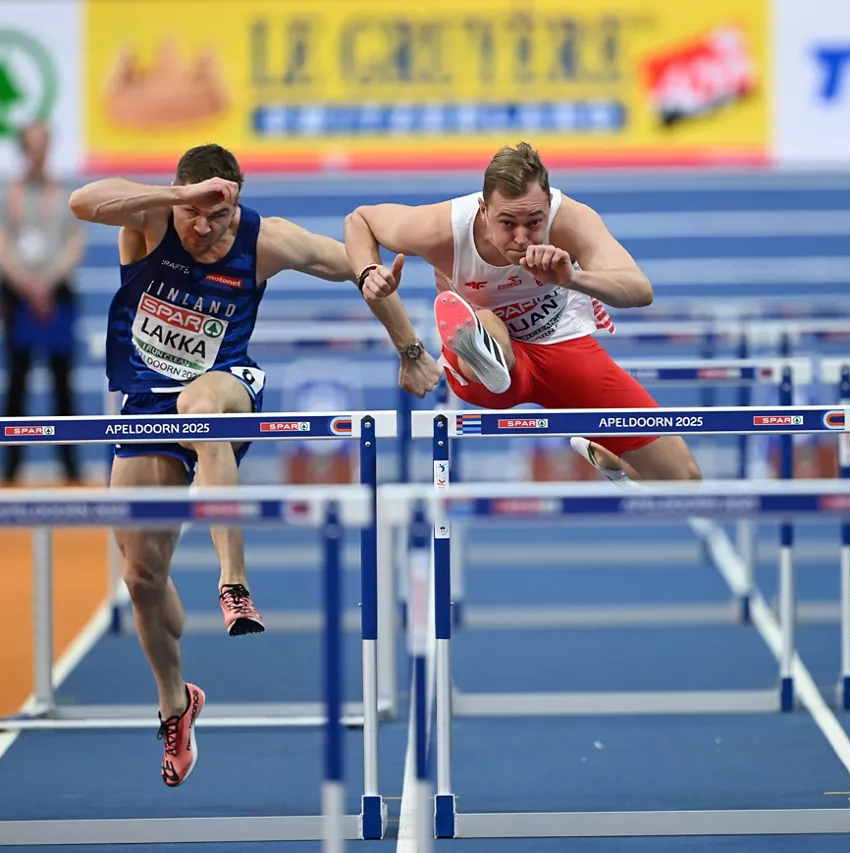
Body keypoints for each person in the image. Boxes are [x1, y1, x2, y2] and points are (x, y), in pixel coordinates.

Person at [68, 143, 440, 788]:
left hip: (225, 383)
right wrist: (174, 199)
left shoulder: (266, 240)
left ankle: (233, 583)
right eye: (196, 213)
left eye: (218, 214)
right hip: (145, 402)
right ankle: (176, 703)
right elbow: (82, 201)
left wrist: (407, 343)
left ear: (236, 199)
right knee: (141, 579)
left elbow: (353, 265)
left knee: (202, 403)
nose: (205, 228)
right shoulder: (151, 219)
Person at [344, 141, 702, 483]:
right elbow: (360, 220)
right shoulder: (443, 228)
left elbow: (640, 291)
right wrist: (367, 273)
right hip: (491, 364)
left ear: (548, 204)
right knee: (485, 322)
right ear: (484, 212)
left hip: (564, 348)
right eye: (507, 223)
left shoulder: (571, 220)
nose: (522, 237)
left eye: (534, 222)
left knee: (684, 479)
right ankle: (483, 353)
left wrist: (573, 278)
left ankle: (600, 452)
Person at [0, 121, 84, 484]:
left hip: (57, 292)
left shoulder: (65, 194)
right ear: (23, 147)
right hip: (17, 295)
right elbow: (2, 242)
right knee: (16, 383)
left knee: (62, 382)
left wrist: (48, 282)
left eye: (46, 143)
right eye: (34, 144)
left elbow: (74, 243)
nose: (40, 150)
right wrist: (25, 283)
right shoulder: (8, 194)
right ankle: (10, 470)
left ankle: (70, 469)